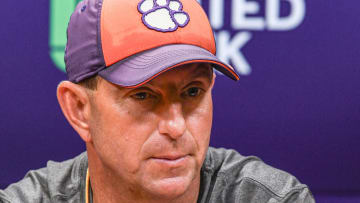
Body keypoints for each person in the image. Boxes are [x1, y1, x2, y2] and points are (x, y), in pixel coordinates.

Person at [0, 0, 315, 202]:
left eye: (193, 92)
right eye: (143, 95)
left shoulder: (269, 198)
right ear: (80, 110)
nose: (176, 127)